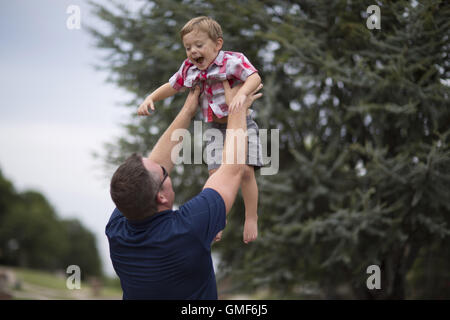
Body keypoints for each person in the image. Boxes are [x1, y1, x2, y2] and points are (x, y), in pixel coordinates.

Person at [107, 81, 263, 299]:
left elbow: (151, 171)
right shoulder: (187, 230)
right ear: (161, 197)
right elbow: (232, 169)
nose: (164, 166)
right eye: (165, 173)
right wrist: (238, 107)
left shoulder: (117, 229)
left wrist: (188, 110)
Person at [137, 16, 263, 244]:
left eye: (198, 45)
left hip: (243, 124)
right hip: (214, 127)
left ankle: (251, 216)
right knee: (215, 176)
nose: (193, 51)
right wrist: (151, 97)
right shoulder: (189, 69)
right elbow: (172, 85)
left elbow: (254, 76)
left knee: (245, 171)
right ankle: (216, 221)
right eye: (188, 47)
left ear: (217, 44)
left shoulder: (231, 61)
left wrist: (242, 94)